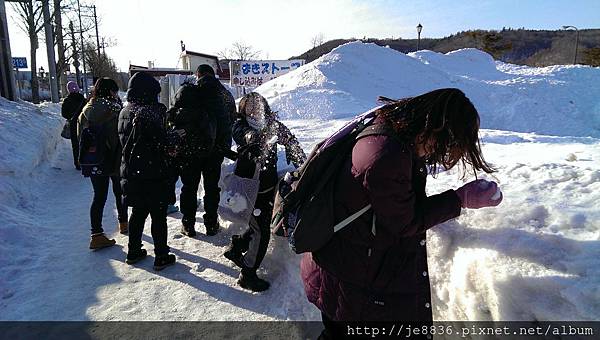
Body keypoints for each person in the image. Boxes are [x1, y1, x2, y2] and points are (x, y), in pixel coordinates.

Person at [300, 88, 503, 338]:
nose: (438, 152)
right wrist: (460, 199)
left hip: (340, 265)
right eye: (446, 144)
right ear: (436, 128)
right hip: (350, 280)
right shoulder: (387, 157)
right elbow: (405, 222)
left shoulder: (389, 128)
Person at [223, 92, 306, 292]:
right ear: (242, 109)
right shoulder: (240, 125)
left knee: (257, 224)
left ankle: (236, 247)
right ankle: (248, 274)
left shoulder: (272, 125)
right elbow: (242, 134)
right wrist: (252, 138)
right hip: (247, 186)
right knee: (261, 233)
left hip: (266, 186)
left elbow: (290, 141)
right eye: (249, 106)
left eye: (257, 105)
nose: (254, 109)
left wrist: (302, 162)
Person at [118, 72, 182, 270]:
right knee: (158, 215)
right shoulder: (149, 113)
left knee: (138, 212)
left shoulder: (125, 111)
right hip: (154, 173)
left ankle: (133, 251)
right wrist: (174, 137)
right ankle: (161, 255)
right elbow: (159, 142)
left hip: (132, 170)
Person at [167, 64, 232, 237]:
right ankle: (211, 223)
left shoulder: (188, 93)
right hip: (213, 152)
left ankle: (188, 224)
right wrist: (222, 147)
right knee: (211, 188)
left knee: (189, 187)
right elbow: (228, 123)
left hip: (189, 151)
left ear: (198, 75)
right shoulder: (222, 94)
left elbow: (173, 118)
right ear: (213, 75)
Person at [78, 77, 128, 249]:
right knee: (119, 191)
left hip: (94, 160)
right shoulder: (114, 109)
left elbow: (81, 137)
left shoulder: (86, 109)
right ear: (110, 92)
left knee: (99, 196)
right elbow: (119, 136)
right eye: (114, 91)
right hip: (113, 157)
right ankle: (123, 223)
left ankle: (96, 234)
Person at [61, 81, 86, 170]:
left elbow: (64, 114)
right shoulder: (82, 99)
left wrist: (70, 116)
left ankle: (77, 163)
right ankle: (85, 161)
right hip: (83, 124)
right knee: (84, 142)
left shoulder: (67, 100)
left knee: (75, 145)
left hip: (73, 125)